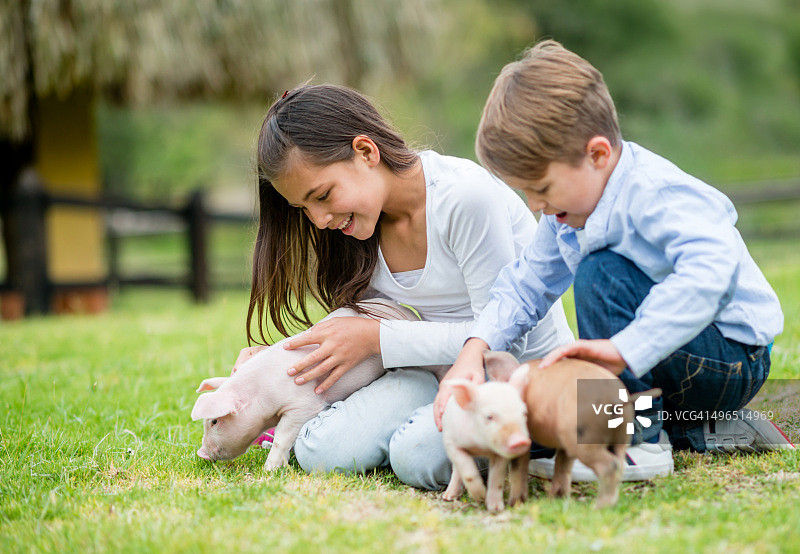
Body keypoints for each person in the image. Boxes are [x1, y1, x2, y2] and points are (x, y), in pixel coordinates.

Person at [434, 40, 793, 482]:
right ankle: (709, 429)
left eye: (542, 188)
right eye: (526, 191)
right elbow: (526, 284)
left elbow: (710, 272)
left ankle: (637, 442)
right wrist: (476, 347)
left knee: (601, 272)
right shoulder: (566, 214)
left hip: (732, 358)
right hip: (678, 365)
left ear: (598, 154)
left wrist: (625, 349)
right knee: (552, 424)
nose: (535, 205)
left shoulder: (654, 192)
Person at [239, 84, 575, 490]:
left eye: (323, 195)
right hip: (432, 373)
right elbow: (366, 331)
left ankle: (536, 439)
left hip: (514, 377)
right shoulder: (359, 227)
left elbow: (504, 339)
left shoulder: (464, 199)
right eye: (304, 208)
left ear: (366, 152)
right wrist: (275, 365)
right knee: (321, 452)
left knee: (418, 458)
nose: (319, 220)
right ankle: (415, 428)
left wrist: (378, 338)